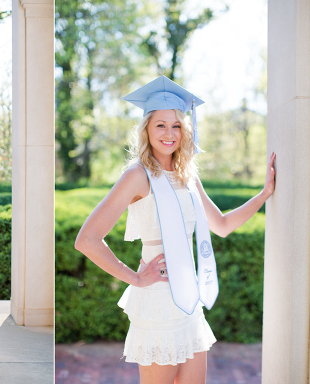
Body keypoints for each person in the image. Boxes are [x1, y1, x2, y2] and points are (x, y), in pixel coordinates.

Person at [73, 75, 276, 384]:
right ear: (146, 129)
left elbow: (221, 225)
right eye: (160, 125)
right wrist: (136, 277)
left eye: (177, 125)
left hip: (188, 297)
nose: (169, 133)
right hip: (157, 299)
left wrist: (262, 196)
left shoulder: (188, 176)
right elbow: (87, 240)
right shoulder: (137, 176)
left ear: (185, 130)